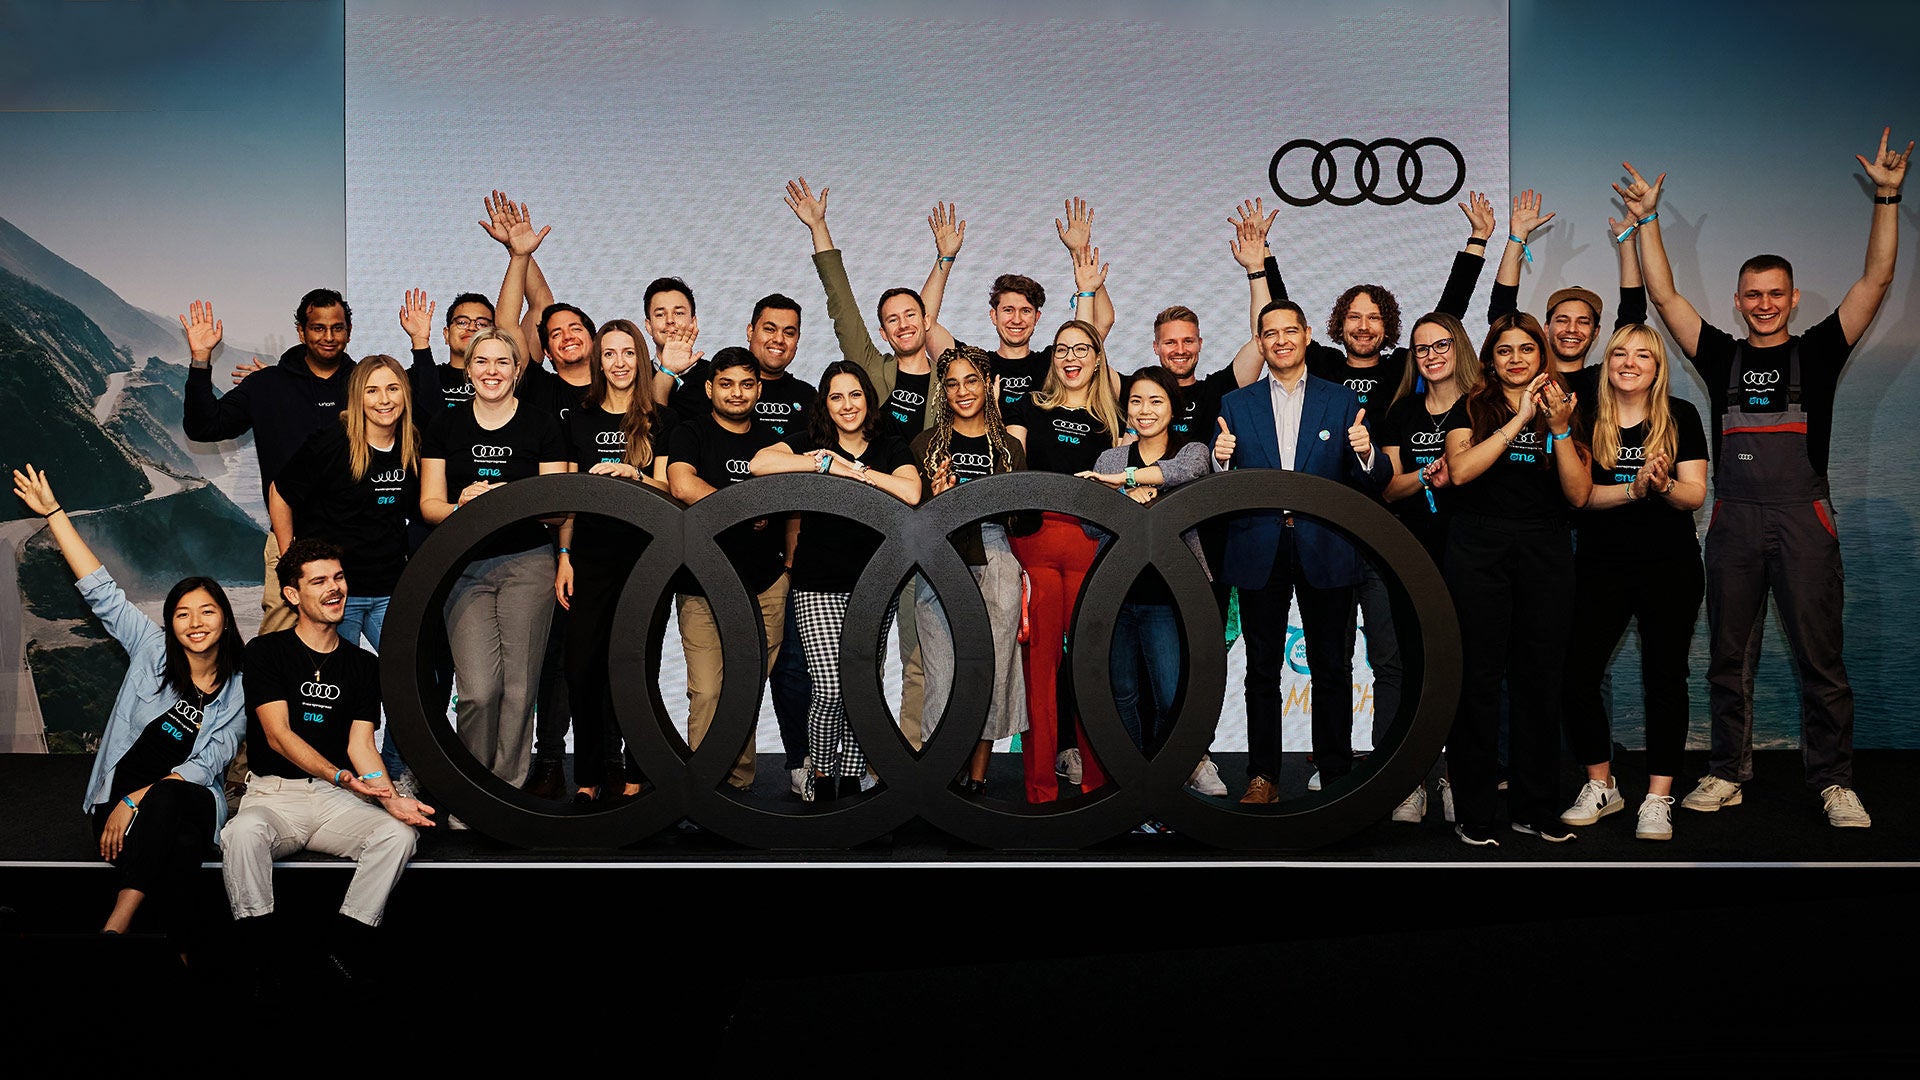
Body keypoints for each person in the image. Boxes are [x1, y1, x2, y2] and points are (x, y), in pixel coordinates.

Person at [1626, 129, 1909, 828]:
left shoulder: (1819, 352)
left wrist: (1887, 196)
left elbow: (1874, 282)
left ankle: (1834, 781)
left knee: (1822, 661)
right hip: (1734, 521)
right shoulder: (1720, 356)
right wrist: (1648, 221)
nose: (1763, 303)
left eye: (1774, 294)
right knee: (1728, 658)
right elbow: (1662, 297)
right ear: (1737, 300)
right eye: (1752, 294)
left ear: (1791, 297)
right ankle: (1727, 772)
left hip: (1802, 518)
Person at [1265, 193, 1493, 787]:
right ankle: (1330, 763)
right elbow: (1278, 317)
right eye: (1354, 317)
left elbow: (1447, 317)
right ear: (1337, 326)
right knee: (1330, 659)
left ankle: (1398, 765)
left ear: (1389, 328)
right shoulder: (1318, 366)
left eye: (1375, 317)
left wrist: (1476, 246)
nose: (1364, 326)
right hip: (1327, 537)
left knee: (1391, 657)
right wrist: (1260, 259)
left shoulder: (1402, 373)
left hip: (1390, 537)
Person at [13, 466, 245, 954]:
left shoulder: (240, 688)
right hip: (117, 806)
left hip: (180, 801)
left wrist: (137, 799)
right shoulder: (150, 651)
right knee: (180, 847)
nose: (195, 622)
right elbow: (100, 589)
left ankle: (115, 927)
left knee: (169, 801)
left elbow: (207, 765)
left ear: (224, 620)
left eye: (207, 611)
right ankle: (185, 949)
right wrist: (54, 513)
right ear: (170, 625)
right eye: (182, 614)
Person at [784, 178, 960, 753]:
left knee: (918, 656)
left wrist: (944, 261)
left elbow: (927, 320)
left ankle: (903, 767)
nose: (904, 324)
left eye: (913, 316)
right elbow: (841, 301)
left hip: (930, 521)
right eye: (893, 319)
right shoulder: (869, 371)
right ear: (883, 331)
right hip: (867, 531)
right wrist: (818, 228)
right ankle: (845, 763)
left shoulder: (948, 377)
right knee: (853, 667)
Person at [221, 538, 434, 976]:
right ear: (292, 595)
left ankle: (346, 946)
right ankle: (260, 953)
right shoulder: (266, 652)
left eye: (338, 577)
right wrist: (341, 776)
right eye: (319, 581)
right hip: (274, 797)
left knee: (399, 836)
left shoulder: (362, 665)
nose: (334, 588)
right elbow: (278, 736)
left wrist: (388, 798)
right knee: (241, 835)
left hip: (337, 801)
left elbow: (362, 746)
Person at [1212, 300, 1388, 805]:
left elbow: (1375, 481)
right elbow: (1219, 489)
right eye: (1270, 333)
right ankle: (1261, 776)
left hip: (1327, 547)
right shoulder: (1235, 404)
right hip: (1257, 548)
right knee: (1261, 669)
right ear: (1261, 342)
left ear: (1308, 335)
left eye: (1291, 330)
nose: (1281, 340)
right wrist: (1221, 465)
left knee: (1334, 666)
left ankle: (1334, 775)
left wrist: (1365, 451)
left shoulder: (1342, 400)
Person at [1441, 313, 1591, 845]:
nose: (1516, 359)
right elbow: (1459, 472)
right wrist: (1518, 418)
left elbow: (1577, 495)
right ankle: (1474, 811)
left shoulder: (1565, 408)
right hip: (1479, 546)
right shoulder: (1471, 408)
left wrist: (1557, 428)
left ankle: (1535, 807)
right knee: (1478, 680)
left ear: (1541, 355)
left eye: (1526, 349)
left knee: (1539, 681)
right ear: (1490, 359)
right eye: (1504, 351)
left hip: (1545, 547)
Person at [1558, 325, 1708, 841]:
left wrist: (1663, 485)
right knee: (1577, 676)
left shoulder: (1681, 416)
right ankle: (1602, 783)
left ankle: (1658, 797)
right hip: (1601, 566)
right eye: (1619, 352)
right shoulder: (1585, 418)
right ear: (1608, 361)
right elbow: (1580, 498)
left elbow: (1695, 496)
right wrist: (1633, 486)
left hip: (1670, 568)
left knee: (1664, 679)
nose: (1629, 362)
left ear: (1657, 365)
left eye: (1642, 354)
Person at [750, 361, 923, 799]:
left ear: (868, 398)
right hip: (817, 583)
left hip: (875, 584)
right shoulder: (813, 443)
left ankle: (851, 775)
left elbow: (911, 492)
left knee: (862, 686)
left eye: (855, 395)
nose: (847, 405)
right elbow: (759, 463)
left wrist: (849, 471)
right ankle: (822, 773)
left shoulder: (889, 445)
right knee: (829, 688)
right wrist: (818, 462)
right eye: (836, 397)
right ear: (824, 404)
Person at [419, 327, 570, 787]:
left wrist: (511, 497)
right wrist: (463, 506)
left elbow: (558, 506)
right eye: (481, 362)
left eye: (502, 362)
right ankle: (472, 787)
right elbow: (430, 506)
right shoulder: (445, 425)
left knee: (521, 690)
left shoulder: (542, 424)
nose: (491, 371)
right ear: (468, 369)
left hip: (529, 564)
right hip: (464, 568)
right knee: (479, 692)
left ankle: (507, 793)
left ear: (517, 370)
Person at [269, 353, 421, 787]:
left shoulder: (413, 442)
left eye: (392, 388)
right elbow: (281, 492)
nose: (384, 399)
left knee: (413, 680)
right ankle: (332, 781)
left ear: (404, 395)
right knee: (336, 692)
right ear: (357, 397)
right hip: (341, 594)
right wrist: (289, 558)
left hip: (392, 585)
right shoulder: (333, 441)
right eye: (372, 390)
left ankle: (392, 771)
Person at [181, 291, 354, 635]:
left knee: (349, 650)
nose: (329, 337)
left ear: (349, 330)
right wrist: (201, 359)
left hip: (355, 538)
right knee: (278, 643)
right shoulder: (268, 384)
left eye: (337, 328)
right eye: (318, 328)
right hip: (288, 537)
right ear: (301, 331)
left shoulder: (366, 384)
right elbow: (205, 426)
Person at [552, 319, 674, 804]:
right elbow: (565, 497)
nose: (619, 362)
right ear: (598, 361)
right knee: (582, 668)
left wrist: (635, 477)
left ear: (641, 359)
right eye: (609, 354)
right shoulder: (576, 418)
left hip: (648, 559)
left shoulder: (660, 419)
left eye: (628, 353)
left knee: (636, 669)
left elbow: (671, 490)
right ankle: (588, 776)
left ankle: (636, 771)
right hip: (590, 558)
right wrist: (564, 555)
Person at [1004, 319, 1123, 802]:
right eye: (1061, 350)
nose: (1071, 357)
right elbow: (1011, 472)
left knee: (1094, 666)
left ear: (1097, 357)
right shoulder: (1028, 407)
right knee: (1040, 671)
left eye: (1082, 348)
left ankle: (1097, 779)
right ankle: (1039, 787)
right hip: (1034, 548)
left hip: (1091, 548)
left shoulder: (1113, 417)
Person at [665, 347, 791, 792]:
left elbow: (790, 504)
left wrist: (789, 568)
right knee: (707, 692)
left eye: (746, 384)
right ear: (709, 387)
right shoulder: (689, 432)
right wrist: (739, 509)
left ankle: (735, 788)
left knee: (745, 691)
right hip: (700, 584)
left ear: (758, 388)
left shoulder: (774, 442)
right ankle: (703, 791)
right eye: (727, 383)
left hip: (764, 585)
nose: (736, 393)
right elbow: (681, 483)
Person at [1076, 367, 1214, 761]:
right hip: (1116, 593)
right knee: (1120, 694)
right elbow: (1089, 525)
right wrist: (1127, 497)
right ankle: (1134, 781)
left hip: (1168, 597)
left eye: (1156, 401)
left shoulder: (1192, 450)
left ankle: (1166, 780)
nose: (1145, 410)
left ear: (1173, 407)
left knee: (1171, 695)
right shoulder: (1110, 456)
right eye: (1136, 401)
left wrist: (1125, 479)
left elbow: (1185, 474)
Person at [1375, 311, 1481, 823]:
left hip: (1469, 552)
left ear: (1459, 347)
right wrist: (1426, 472)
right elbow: (1391, 487)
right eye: (1421, 348)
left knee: (1461, 669)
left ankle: (1459, 780)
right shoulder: (1402, 412)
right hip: (1410, 552)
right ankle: (1412, 779)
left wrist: (1452, 472)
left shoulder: (1482, 407)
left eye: (1441, 344)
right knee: (1414, 667)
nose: (1432, 355)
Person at [910, 345, 1030, 792]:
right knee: (943, 673)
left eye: (972, 380)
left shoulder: (1010, 448)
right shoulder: (924, 446)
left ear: (988, 386)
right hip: (940, 559)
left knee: (992, 670)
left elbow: (1026, 518)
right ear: (943, 391)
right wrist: (935, 500)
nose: (963, 391)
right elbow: (910, 518)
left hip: (996, 556)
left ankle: (978, 776)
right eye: (953, 383)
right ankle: (944, 772)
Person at [922, 197, 1118, 414]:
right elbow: (924, 324)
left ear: (1037, 317)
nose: (1017, 319)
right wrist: (945, 257)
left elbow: (1101, 322)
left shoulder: (1055, 361)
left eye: (1026, 311)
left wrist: (1080, 254)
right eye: (1008, 310)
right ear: (993, 316)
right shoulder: (974, 365)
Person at [1488, 187, 1649, 404]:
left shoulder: (1604, 380)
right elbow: (1501, 312)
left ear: (1596, 333)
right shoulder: (1527, 377)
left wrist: (1628, 243)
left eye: (1583, 322)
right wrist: (1517, 239)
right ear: (1546, 328)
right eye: (1562, 320)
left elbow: (1633, 315)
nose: (1572, 329)